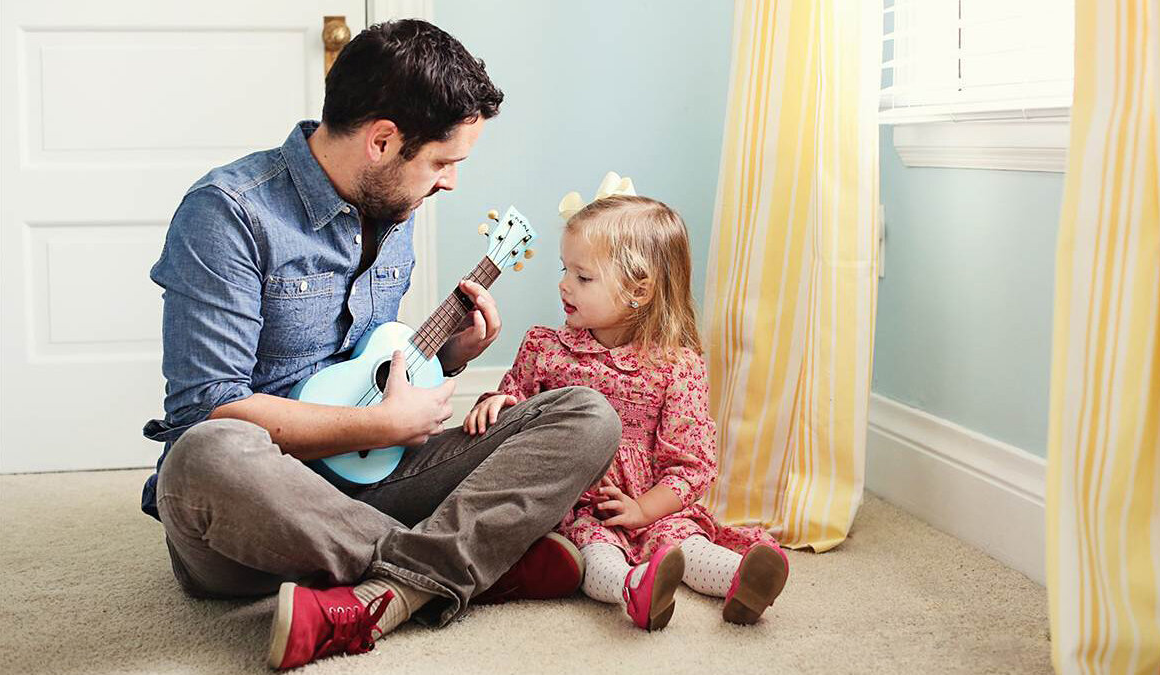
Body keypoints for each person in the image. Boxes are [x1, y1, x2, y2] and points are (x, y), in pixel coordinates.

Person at [142, 20, 620, 670]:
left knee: (587, 413)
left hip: (374, 479)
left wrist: (450, 355)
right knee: (203, 454)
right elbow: (208, 409)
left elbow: (367, 361)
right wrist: (379, 421)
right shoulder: (228, 214)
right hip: (253, 509)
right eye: (444, 161)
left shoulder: (394, 207)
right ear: (383, 141)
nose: (450, 182)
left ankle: (396, 588)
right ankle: (472, 564)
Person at [465, 176, 790, 631]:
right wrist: (496, 401)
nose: (563, 286)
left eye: (582, 277)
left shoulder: (676, 366)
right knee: (595, 550)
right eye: (563, 270)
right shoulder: (545, 348)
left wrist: (644, 510)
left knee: (683, 542)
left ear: (639, 290)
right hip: (579, 502)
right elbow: (516, 400)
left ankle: (742, 581)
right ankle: (632, 588)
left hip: (652, 502)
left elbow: (692, 464)